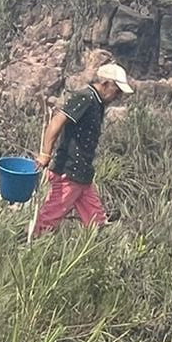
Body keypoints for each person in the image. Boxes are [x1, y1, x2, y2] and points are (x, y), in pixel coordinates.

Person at [29, 63, 133, 239]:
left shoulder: (97, 102)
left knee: (97, 223)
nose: (118, 96)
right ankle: (29, 247)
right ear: (106, 83)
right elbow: (56, 122)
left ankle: (99, 253)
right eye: (117, 91)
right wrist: (45, 154)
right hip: (69, 171)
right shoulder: (84, 98)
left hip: (83, 174)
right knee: (48, 220)